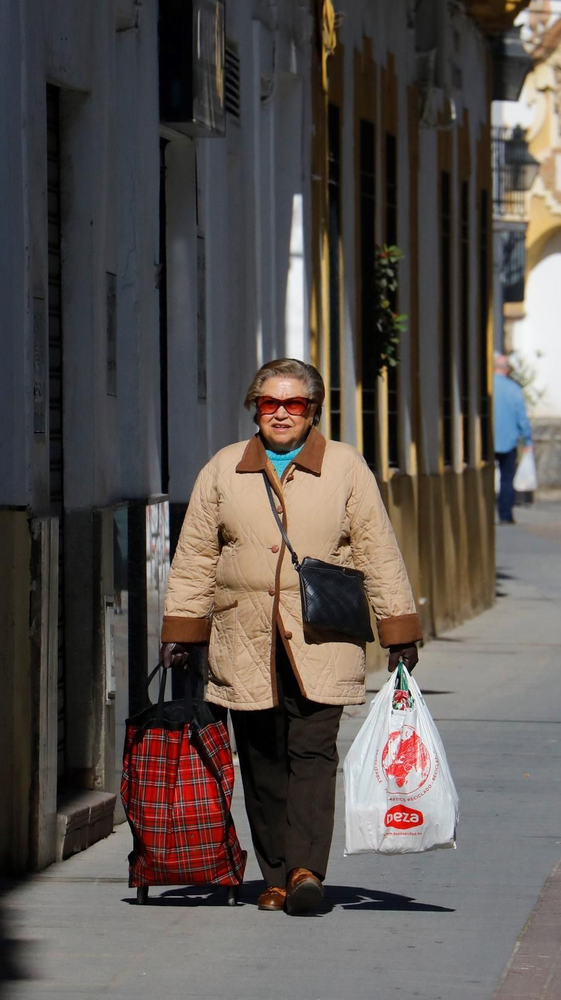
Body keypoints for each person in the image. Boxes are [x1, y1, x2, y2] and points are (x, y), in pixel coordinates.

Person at [157, 358, 423, 915]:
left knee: (312, 750)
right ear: (255, 408)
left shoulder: (347, 467)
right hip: (244, 636)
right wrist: (184, 627)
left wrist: (397, 627)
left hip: (323, 637)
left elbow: (378, 548)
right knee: (261, 760)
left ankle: (306, 870)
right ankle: (274, 873)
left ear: (313, 411)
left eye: (294, 403)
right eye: (269, 403)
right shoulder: (224, 469)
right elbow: (197, 555)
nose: (281, 413)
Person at [493, 354, 533, 524]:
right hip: (508, 441)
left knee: (485, 478)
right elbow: (521, 417)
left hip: (487, 441)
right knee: (506, 479)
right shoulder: (514, 389)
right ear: (507, 370)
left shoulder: (487, 387)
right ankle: (505, 515)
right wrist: (528, 439)